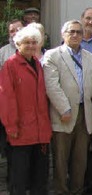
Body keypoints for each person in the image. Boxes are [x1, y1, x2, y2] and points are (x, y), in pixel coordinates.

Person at [42, 19, 92, 195]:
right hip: (62, 113)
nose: (75, 35)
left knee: (80, 159)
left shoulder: (90, 57)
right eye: (71, 31)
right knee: (60, 159)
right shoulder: (52, 55)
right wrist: (64, 108)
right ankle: (60, 191)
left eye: (78, 32)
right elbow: (51, 86)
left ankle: (77, 190)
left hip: (85, 113)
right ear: (63, 34)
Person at [0, 25, 51, 195]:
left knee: (39, 179)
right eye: (26, 42)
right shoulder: (10, 65)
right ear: (18, 44)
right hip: (20, 132)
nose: (31, 45)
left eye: (34, 42)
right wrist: (11, 126)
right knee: (19, 180)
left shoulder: (37, 63)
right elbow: (6, 98)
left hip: (40, 131)